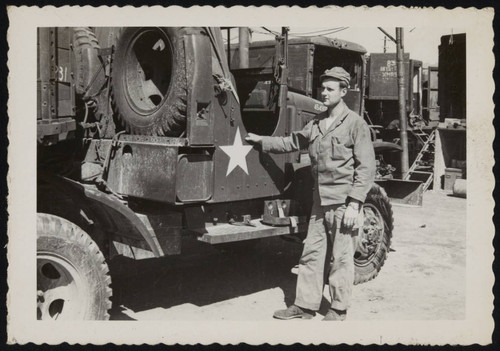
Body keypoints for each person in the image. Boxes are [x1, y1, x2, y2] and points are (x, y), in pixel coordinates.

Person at [245, 66, 375, 321]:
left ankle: (338, 308)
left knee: (341, 258)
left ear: (344, 91)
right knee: (311, 254)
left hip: (342, 203)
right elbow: (291, 142)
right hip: (319, 202)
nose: (324, 93)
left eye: (330, 89)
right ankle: (305, 306)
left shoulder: (355, 125)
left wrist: (355, 203)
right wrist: (262, 140)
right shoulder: (316, 124)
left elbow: (367, 167)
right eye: (322, 89)